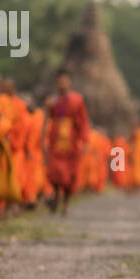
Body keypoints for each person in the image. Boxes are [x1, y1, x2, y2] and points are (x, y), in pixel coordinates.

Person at [45, 70, 89, 215]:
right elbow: (47, 120)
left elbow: (83, 122)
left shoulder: (77, 100)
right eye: (59, 81)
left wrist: (84, 141)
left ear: (69, 83)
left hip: (72, 142)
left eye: (65, 81)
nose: (62, 84)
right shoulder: (52, 101)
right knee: (54, 172)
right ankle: (56, 194)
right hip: (56, 141)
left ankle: (65, 204)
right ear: (56, 84)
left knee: (70, 175)